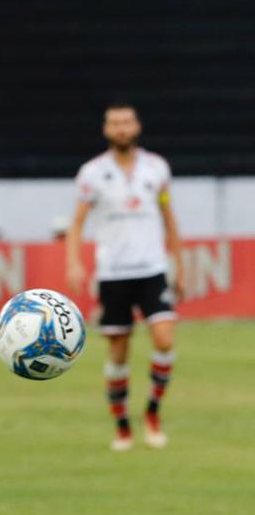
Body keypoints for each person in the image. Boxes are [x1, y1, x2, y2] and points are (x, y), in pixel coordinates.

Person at [66, 101, 183, 452]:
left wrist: (180, 264)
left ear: (136, 126)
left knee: (164, 339)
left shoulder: (156, 168)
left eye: (126, 122)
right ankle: (122, 427)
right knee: (118, 351)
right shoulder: (91, 173)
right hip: (113, 271)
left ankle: (152, 412)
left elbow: (168, 218)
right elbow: (77, 223)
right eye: (114, 123)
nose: (121, 128)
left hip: (152, 268)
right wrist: (74, 262)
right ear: (106, 129)